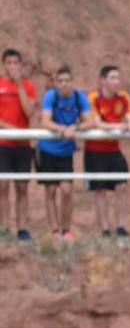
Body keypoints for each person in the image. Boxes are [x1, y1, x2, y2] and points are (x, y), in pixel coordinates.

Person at [37, 66, 91, 240]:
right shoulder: (51, 96)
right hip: (47, 150)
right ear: (56, 83)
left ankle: (66, 230)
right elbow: (45, 121)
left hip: (66, 152)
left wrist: (75, 127)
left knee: (67, 190)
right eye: (60, 81)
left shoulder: (79, 97)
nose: (64, 84)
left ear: (72, 81)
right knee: (50, 190)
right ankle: (54, 231)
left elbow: (90, 121)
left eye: (67, 81)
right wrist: (63, 129)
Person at [86, 65, 130, 238]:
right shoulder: (93, 97)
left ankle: (121, 226)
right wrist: (118, 127)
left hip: (114, 150)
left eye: (118, 78)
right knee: (100, 190)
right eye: (112, 78)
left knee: (121, 186)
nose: (116, 82)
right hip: (94, 151)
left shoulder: (123, 97)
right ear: (103, 80)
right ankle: (105, 229)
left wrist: (127, 126)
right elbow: (96, 123)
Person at [0, 48, 37, 241]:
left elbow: (29, 111)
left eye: (16, 63)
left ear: (21, 66)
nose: (12, 67)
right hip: (3, 144)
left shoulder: (29, 86)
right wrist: (9, 128)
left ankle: (22, 228)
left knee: (22, 187)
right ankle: (4, 228)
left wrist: (19, 85)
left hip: (22, 145)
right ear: (3, 64)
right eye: (9, 63)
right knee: (2, 186)